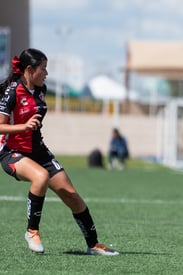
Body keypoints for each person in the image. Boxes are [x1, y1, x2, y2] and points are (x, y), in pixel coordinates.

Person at [0, 48, 119, 255]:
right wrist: (23, 127)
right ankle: (32, 231)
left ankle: (93, 244)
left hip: (39, 151)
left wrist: (30, 128)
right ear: (29, 70)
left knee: (72, 196)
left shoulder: (40, 90)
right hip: (12, 151)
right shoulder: (12, 91)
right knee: (41, 177)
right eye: (43, 69)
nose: (46, 73)